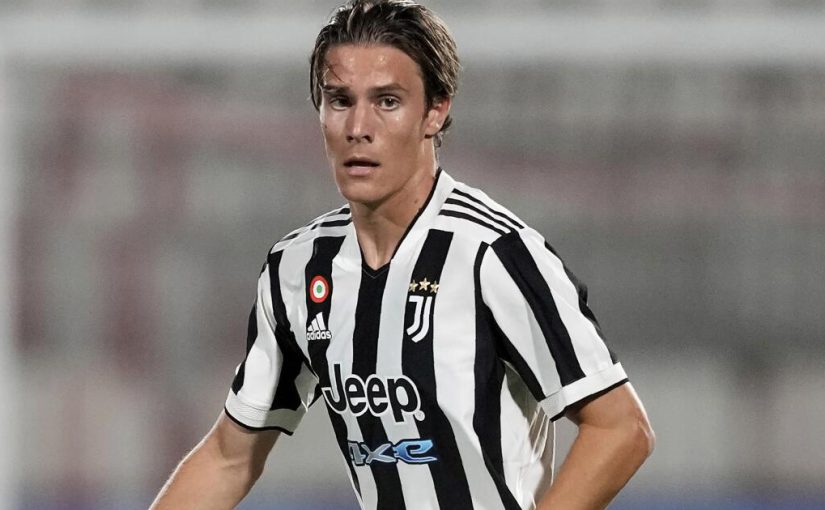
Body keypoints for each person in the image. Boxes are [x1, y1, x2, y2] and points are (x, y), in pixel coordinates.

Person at [150, 1, 655, 509]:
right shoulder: (298, 269)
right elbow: (230, 456)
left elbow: (621, 429)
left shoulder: (493, 254)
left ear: (435, 111)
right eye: (339, 100)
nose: (358, 127)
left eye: (387, 101)